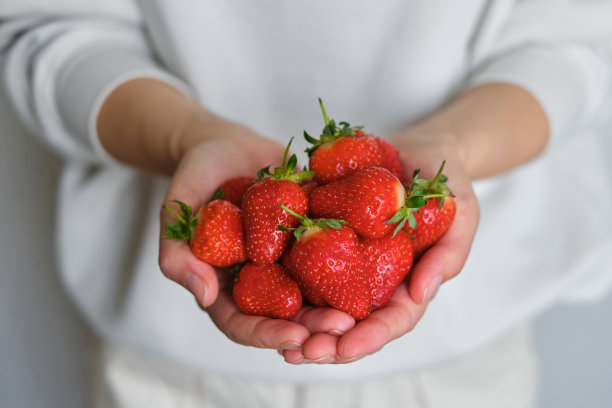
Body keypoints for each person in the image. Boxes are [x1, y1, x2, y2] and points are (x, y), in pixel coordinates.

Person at [2, 1, 612, 407]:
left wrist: (455, 148)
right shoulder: (291, 217)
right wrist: (185, 137)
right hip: (165, 377)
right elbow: (50, 32)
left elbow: (577, 46)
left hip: (467, 367)